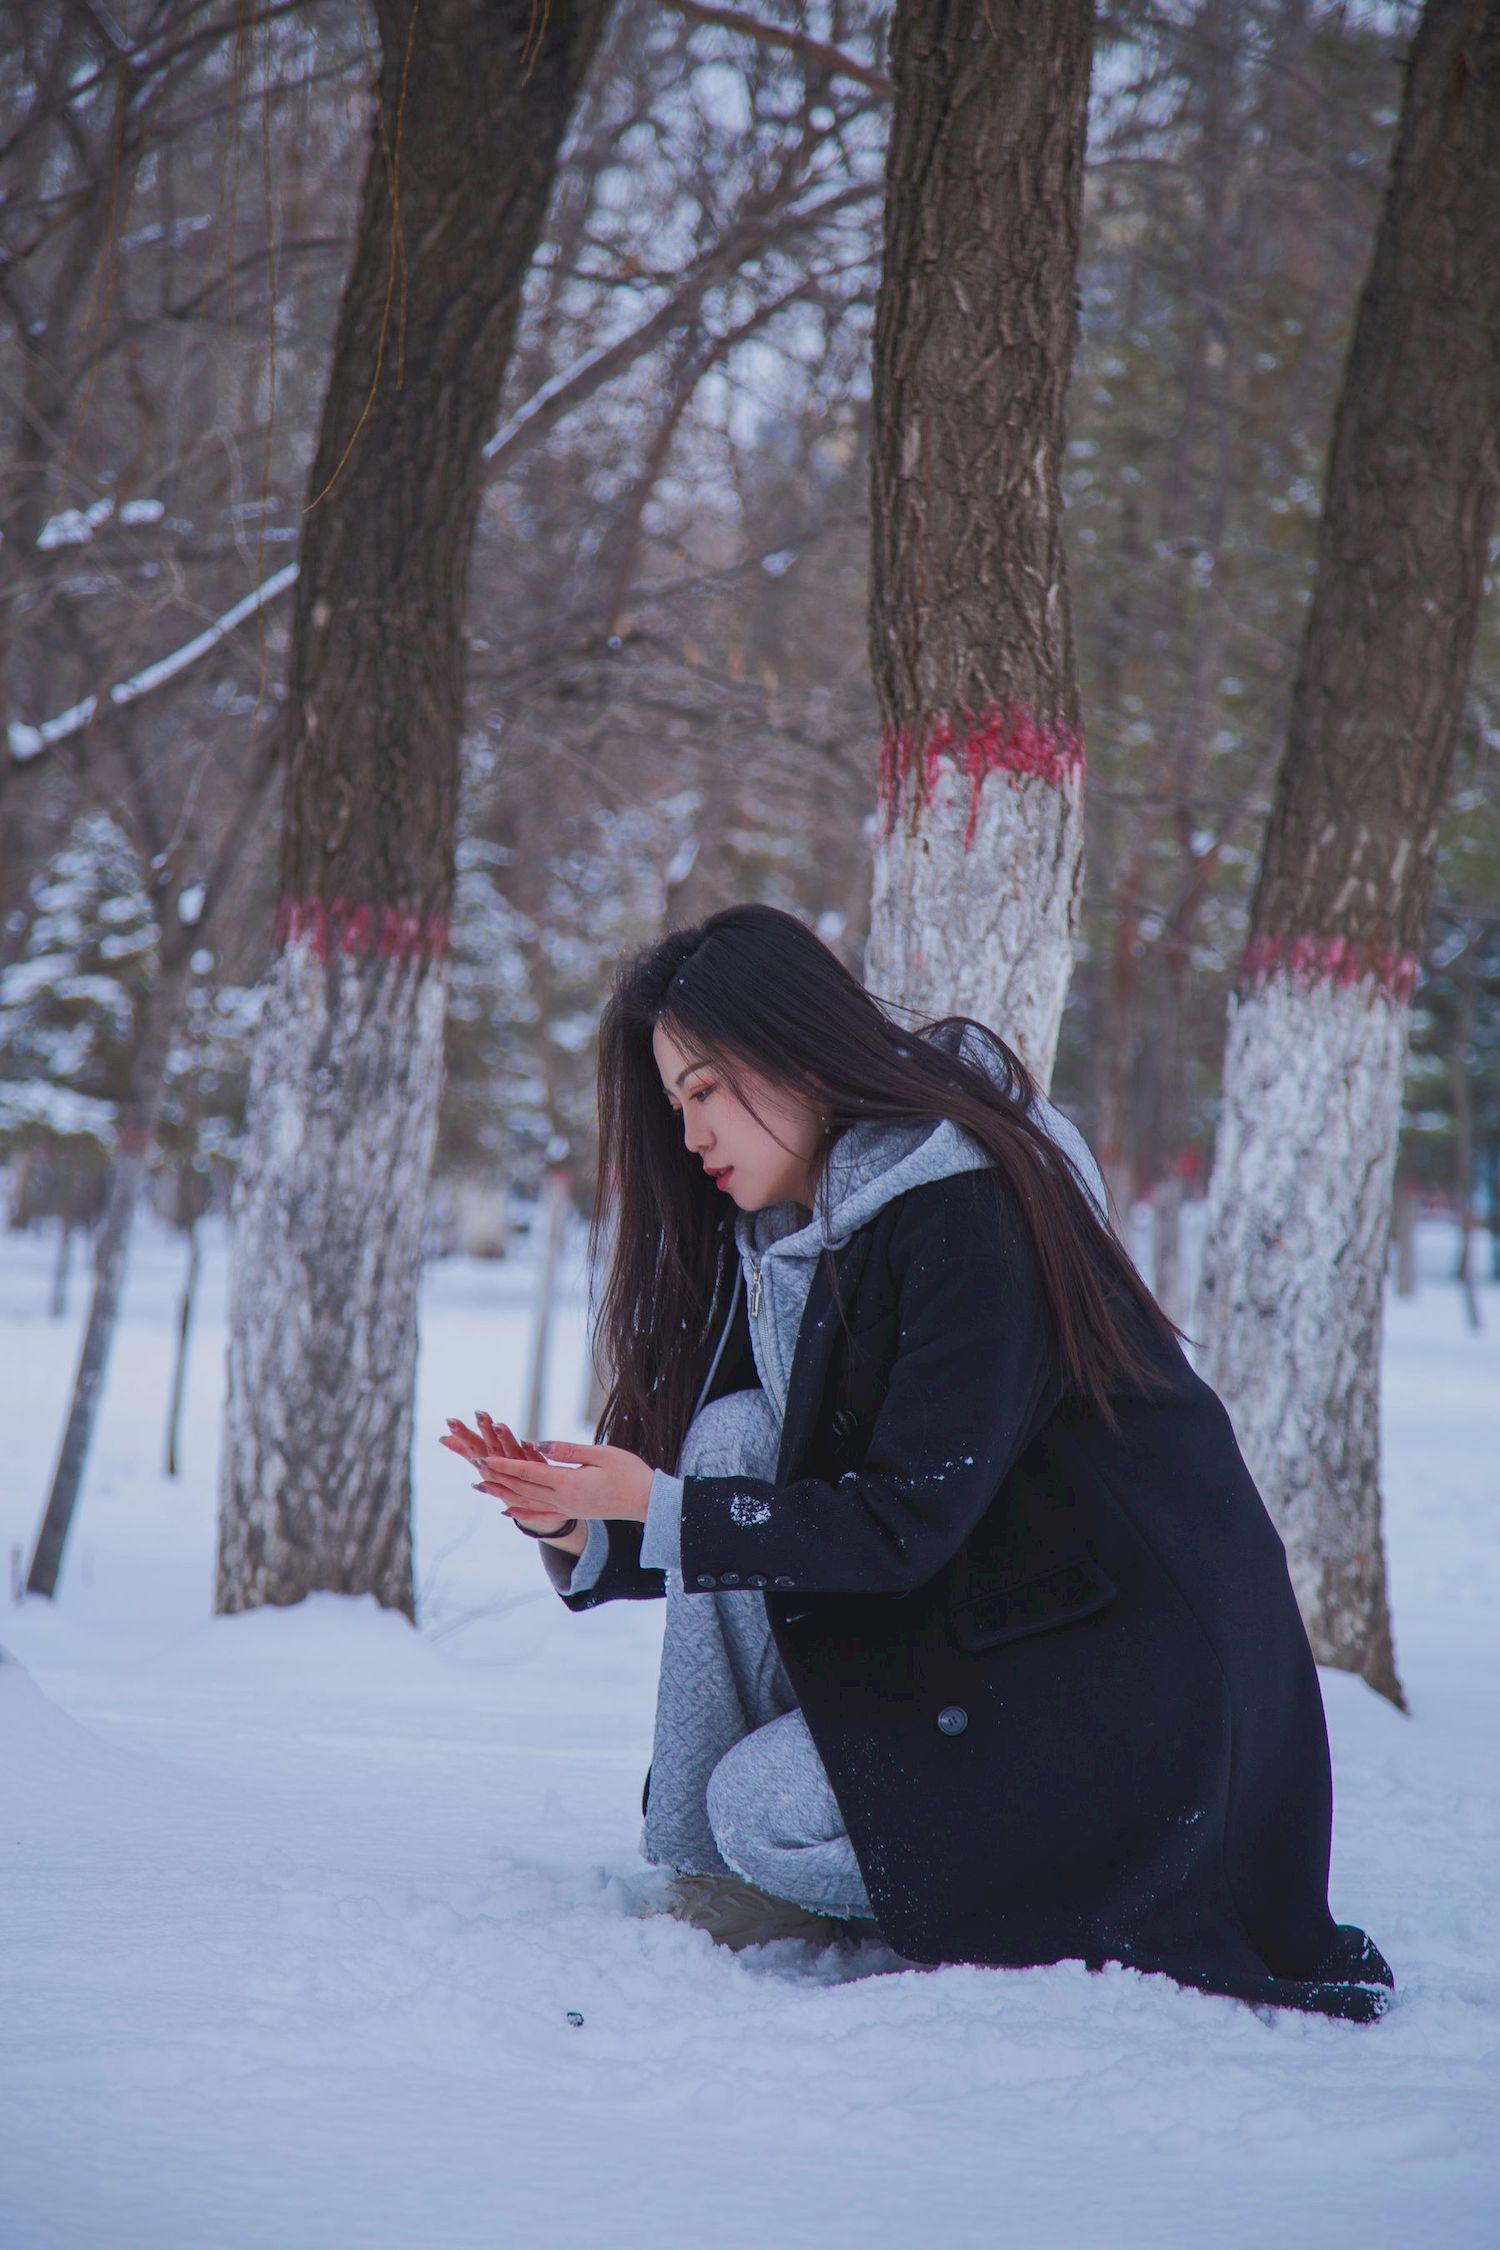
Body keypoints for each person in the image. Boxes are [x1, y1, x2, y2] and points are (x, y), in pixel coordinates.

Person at [442, 903, 1393, 2018]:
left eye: (704, 1090)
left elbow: (901, 1522)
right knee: (733, 1438)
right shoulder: (795, 1241)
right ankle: (710, 1884)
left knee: (769, 1809)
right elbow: (762, 1500)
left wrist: (661, 1506)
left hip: (1124, 1697)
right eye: (675, 1104)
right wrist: (586, 1522)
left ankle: (971, 1885)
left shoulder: (965, 1207)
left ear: (794, 1049)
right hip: (983, 1631)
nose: (691, 1132)